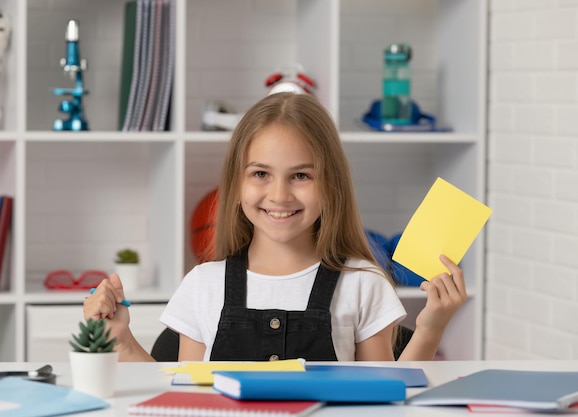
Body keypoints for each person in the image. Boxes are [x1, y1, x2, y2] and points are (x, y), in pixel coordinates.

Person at [83, 92, 467, 362]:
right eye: (261, 174)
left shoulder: (363, 283)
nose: (279, 195)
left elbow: (386, 403)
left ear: (331, 184)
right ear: (236, 184)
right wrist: (119, 338)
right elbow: (177, 396)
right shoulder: (203, 284)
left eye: (300, 175)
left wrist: (431, 329)